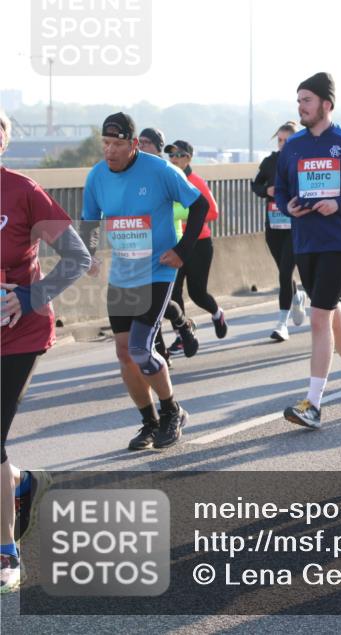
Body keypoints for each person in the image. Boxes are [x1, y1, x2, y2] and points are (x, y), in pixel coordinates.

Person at [80, 112, 210, 449]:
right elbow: (90, 221)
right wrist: (90, 253)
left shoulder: (160, 170)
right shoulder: (97, 176)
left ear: (133, 144)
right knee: (124, 354)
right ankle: (149, 422)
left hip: (158, 270)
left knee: (140, 348)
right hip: (124, 274)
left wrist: (182, 250)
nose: (110, 150)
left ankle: (171, 411)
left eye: (117, 144)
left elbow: (200, 207)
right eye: (105, 143)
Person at [1, 110, 91, 592]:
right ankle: (20, 484)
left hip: (21, 333)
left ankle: (6, 554)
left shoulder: (24, 192)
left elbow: (79, 256)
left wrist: (30, 296)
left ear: (4, 141)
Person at [274, 72, 341, 427]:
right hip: (304, 240)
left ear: (326, 104)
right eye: (298, 101)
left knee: (319, 317)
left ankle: (313, 404)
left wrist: (338, 204)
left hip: (339, 240)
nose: (300, 107)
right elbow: (279, 189)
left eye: (306, 100)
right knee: (332, 314)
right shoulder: (293, 146)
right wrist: (286, 206)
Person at [137, 128, 199, 359]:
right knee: (146, 302)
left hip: (167, 245)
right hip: (138, 245)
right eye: (139, 142)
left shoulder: (168, 172)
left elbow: (190, 207)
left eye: (146, 143)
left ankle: (168, 342)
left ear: (158, 147)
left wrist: (163, 208)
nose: (141, 147)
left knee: (156, 302)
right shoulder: (132, 171)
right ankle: (169, 341)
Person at [164, 140, 227, 341]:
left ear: (188, 158)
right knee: (174, 293)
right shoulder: (168, 181)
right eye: (170, 156)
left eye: (178, 155)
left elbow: (213, 211)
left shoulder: (195, 181)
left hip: (199, 244)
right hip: (176, 244)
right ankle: (182, 335)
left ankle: (218, 314)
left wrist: (185, 218)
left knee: (197, 293)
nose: (173, 159)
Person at [251, 121, 308, 341]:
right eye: (280, 140)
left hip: (295, 226)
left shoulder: (302, 161)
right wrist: (267, 190)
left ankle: (281, 324)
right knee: (284, 272)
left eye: (287, 140)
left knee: (285, 272)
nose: (282, 145)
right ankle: (296, 296)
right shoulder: (269, 162)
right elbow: (255, 185)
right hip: (274, 227)